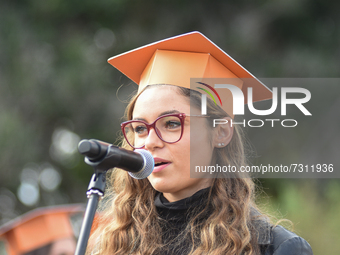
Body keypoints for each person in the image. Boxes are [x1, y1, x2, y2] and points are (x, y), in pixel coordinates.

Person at [88, 32, 313, 255]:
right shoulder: (114, 244)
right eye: (140, 128)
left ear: (221, 133)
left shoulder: (274, 247)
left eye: (172, 124)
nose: (150, 142)